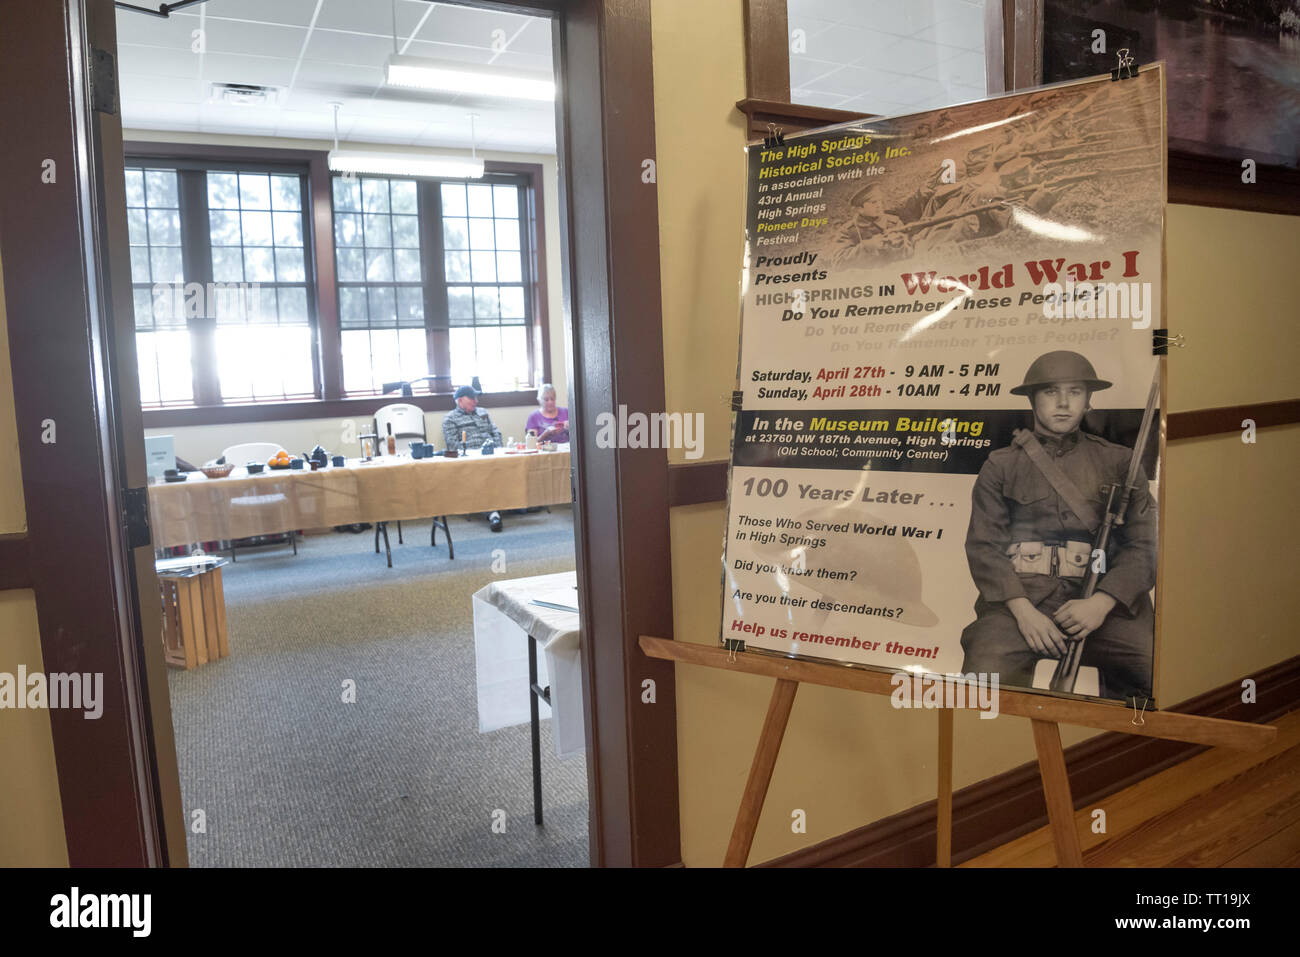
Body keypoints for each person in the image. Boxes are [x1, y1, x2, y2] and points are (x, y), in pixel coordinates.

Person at [959, 350, 1157, 701]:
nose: (1064, 403)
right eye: (1051, 392)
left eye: (1075, 392)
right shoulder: (1001, 466)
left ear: (1088, 400)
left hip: (1104, 600)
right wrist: (1023, 613)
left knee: (1151, 667)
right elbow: (984, 546)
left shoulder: (1120, 461)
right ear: (1033, 399)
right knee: (984, 673)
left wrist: (1102, 602)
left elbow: (1146, 544)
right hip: (1023, 599)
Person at [442, 385, 506, 532]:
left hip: (493, 455)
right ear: (459, 401)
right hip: (471, 460)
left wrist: (497, 449)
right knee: (484, 475)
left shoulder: (483, 412)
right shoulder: (450, 419)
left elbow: (496, 432)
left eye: (476, 398)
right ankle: (493, 514)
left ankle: (515, 506)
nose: (476, 401)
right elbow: (453, 445)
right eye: (472, 398)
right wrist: (475, 452)